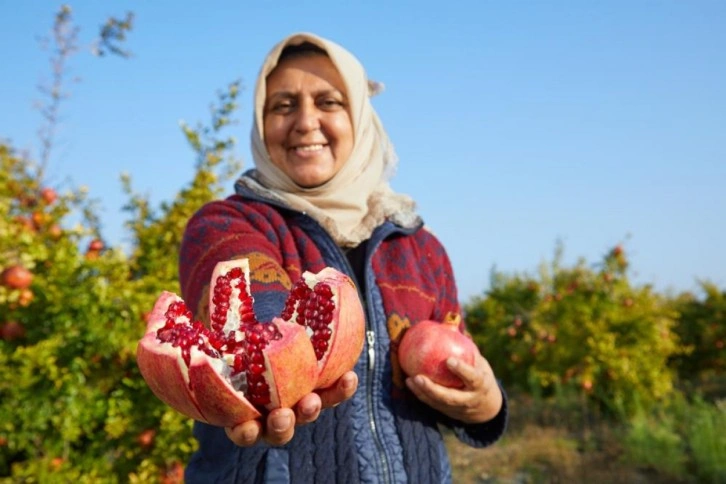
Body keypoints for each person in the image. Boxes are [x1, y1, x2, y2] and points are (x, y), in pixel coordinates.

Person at [178, 32, 507, 483]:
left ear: (359, 117)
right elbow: (249, 309)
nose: (305, 121)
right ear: (259, 121)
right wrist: (275, 362)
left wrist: (487, 405)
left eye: (329, 102)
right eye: (282, 106)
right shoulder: (228, 225)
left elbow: (457, 371)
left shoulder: (421, 249)